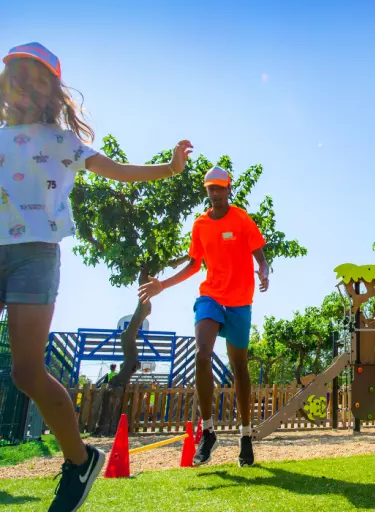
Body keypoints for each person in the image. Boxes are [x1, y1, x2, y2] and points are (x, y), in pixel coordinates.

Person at [0, 42, 192, 512]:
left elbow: (118, 170)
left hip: (35, 256)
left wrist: (170, 168)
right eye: (17, 78)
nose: (24, 88)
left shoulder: (61, 141)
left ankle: (80, 460)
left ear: (51, 94)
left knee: (26, 372)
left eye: (37, 81)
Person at [138, 166, 269, 468]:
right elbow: (194, 265)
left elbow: (260, 256)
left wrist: (264, 271)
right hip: (210, 296)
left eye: (220, 188)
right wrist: (162, 285)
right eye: (211, 188)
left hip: (240, 301)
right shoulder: (200, 225)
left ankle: (245, 435)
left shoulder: (242, 219)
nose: (216, 193)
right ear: (207, 191)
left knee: (239, 366)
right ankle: (208, 432)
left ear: (229, 189)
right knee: (202, 353)